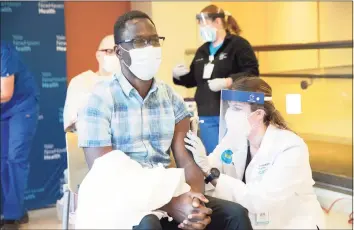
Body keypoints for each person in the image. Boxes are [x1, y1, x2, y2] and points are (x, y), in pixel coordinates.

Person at [77, 10, 253, 230]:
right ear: (119, 52)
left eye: (153, 40)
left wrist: (194, 203)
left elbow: (187, 160)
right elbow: (106, 176)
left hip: (170, 194)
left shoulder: (171, 100)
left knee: (234, 214)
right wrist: (172, 204)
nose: (149, 48)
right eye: (139, 41)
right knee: (149, 224)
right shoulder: (98, 100)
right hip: (121, 201)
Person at [184, 76, 325, 229]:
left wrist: (208, 171)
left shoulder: (290, 147)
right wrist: (198, 160)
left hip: (291, 224)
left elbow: (260, 201)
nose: (230, 114)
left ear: (259, 114)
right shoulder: (233, 139)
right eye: (229, 107)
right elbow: (211, 174)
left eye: (237, 108)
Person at [173, 5, 259, 155]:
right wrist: (177, 75)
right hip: (207, 111)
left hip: (231, 110)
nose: (201, 28)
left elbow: (252, 73)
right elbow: (193, 79)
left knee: (232, 155)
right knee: (213, 155)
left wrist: (228, 81)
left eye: (204, 23)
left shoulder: (238, 45)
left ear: (218, 22)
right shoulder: (202, 51)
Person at [1, 41, 40, 230]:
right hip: (2, 111)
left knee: (15, 157)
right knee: (2, 160)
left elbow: (5, 93)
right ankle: (15, 208)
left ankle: (12, 216)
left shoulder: (4, 51)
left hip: (20, 107)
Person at [63, 34, 120, 132]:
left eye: (118, 52)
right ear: (98, 55)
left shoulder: (131, 85)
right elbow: (71, 125)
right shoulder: (80, 82)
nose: (114, 56)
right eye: (110, 51)